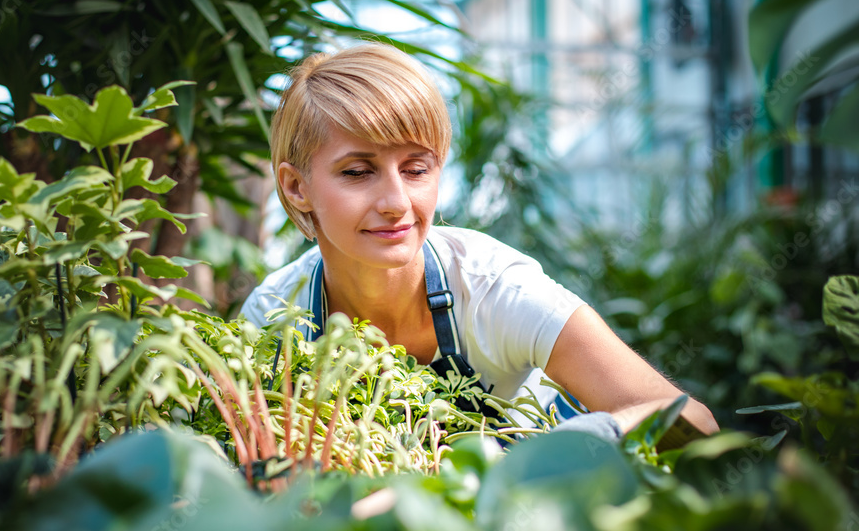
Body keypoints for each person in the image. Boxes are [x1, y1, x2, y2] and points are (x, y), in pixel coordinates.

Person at [239, 43, 719, 439]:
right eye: (358, 172)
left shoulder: (494, 289)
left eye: (416, 169)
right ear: (296, 187)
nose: (396, 202)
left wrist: (587, 440)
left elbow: (692, 419)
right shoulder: (274, 320)